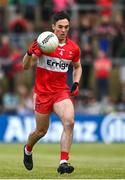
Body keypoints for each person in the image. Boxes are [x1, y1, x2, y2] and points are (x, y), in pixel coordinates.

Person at [23, 11, 82, 174]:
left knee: (69, 121)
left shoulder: (73, 48)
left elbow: (77, 66)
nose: (63, 30)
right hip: (42, 93)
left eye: (67, 27)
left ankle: (64, 161)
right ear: (53, 27)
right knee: (41, 131)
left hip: (60, 92)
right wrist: (28, 53)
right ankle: (28, 149)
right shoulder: (44, 44)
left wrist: (76, 82)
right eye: (60, 27)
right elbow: (26, 66)